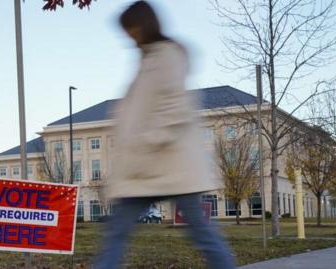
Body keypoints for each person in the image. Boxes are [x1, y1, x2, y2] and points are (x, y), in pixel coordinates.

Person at [93, 1, 237, 269]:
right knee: (116, 234)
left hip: (171, 166)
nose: (128, 35)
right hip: (143, 171)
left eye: (131, 28)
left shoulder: (167, 56)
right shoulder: (149, 60)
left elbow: (176, 110)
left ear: (143, 25)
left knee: (203, 235)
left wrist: (144, 142)